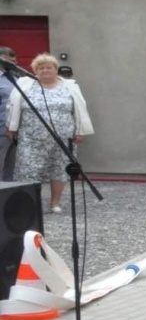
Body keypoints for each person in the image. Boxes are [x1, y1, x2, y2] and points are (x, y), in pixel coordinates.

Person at [6, 53, 93, 214]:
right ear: (34, 70)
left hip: (63, 137)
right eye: (41, 68)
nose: (45, 70)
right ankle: (30, 203)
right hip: (31, 138)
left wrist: (80, 131)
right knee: (27, 171)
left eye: (49, 67)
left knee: (59, 169)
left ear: (56, 69)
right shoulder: (25, 84)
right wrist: (12, 127)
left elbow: (80, 109)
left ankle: (55, 202)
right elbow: (12, 107)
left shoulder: (70, 85)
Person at [0, 46, 18, 180]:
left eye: (14, 60)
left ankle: (6, 198)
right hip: (1, 129)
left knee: (11, 167)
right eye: (9, 61)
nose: (13, 63)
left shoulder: (17, 78)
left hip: (17, 130)